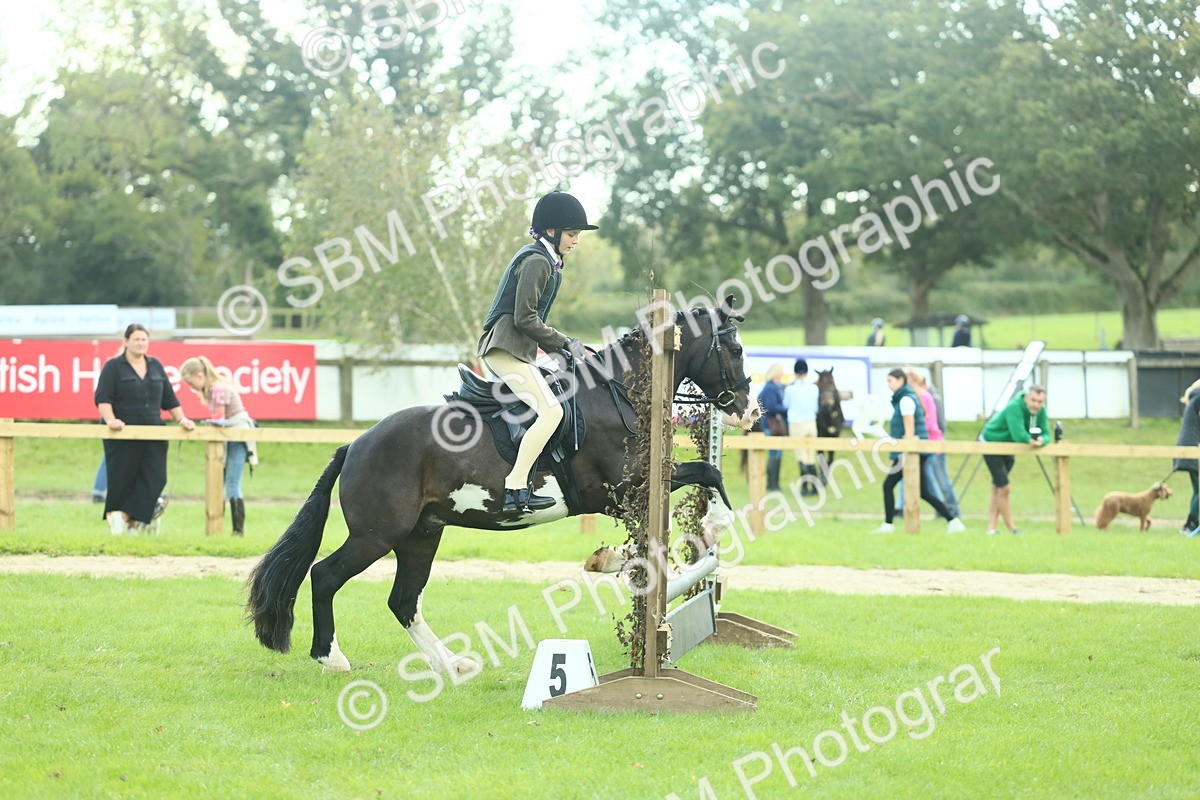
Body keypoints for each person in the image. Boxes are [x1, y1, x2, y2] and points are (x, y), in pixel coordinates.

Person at [476, 190, 598, 512]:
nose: (576, 240)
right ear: (551, 232)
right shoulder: (536, 262)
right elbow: (525, 318)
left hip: (515, 349)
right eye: (572, 234)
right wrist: (564, 342)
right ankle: (516, 487)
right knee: (552, 412)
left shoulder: (544, 260)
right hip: (504, 348)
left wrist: (560, 348)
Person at [95, 324, 195, 534]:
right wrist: (111, 420)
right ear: (125, 342)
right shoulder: (113, 366)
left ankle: (127, 516)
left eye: (144, 339)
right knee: (124, 476)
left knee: (156, 477)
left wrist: (182, 419)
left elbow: (169, 398)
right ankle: (126, 521)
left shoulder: (156, 365)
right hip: (123, 432)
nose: (140, 343)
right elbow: (103, 397)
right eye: (136, 339)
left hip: (154, 430)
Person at [873, 369, 964, 534]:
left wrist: (903, 450)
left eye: (890, 381)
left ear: (901, 380)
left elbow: (909, 429)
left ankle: (888, 524)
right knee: (923, 491)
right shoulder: (906, 397)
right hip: (911, 451)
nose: (888, 385)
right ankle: (953, 520)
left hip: (909, 451)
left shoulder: (906, 399)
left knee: (888, 485)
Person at [180, 356, 258, 536]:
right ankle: (228, 529)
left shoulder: (217, 389)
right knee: (223, 482)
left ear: (200, 376)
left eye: (191, 383)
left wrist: (208, 423)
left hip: (237, 435)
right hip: (231, 434)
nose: (191, 388)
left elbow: (219, 419)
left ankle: (237, 531)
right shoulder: (218, 386)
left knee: (231, 483)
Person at [980, 384, 1049, 535]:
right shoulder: (1014, 407)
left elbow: (1047, 433)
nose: (1036, 405)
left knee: (997, 487)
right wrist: (1030, 440)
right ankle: (1012, 528)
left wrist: (1042, 440)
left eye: (1040, 402)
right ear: (1026, 398)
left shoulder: (1041, 411)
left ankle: (991, 528)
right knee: (1004, 488)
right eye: (1033, 400)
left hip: (1009, 447)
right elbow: (1019, 435)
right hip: (992, 443)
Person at [905, 367, 960, 518]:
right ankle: (943, 511)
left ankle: (953, 511)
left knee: (942, 481)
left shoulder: (927, 397)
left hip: (933, 443)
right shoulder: (919, 397)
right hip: (925, 444)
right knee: (929, 482)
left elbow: (931, 422)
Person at [784, 359, 820, 495]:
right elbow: (816, 407)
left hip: (796, 423)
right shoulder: (814, 388)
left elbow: (786, 405)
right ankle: (815, 487)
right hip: (811, 422)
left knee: (801, 455)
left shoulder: (790, 389)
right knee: (811, 455)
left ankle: (805, 487)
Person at [1173, 378, 1200, 537]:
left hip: (1187, 449)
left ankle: (1192, 523)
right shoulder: (1199, 398)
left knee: (1197, 489)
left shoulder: (1193, 400)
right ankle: (1191, 523)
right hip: (1194, 449)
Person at [758, 362, 788, 492]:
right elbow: (771, 407)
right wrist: (786, 409)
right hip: (771, 425)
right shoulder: (771, 388)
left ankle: (774, 483)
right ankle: (772, 483)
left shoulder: (771, 387)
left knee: (776, 453)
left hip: (770, 424)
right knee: (774, 453)